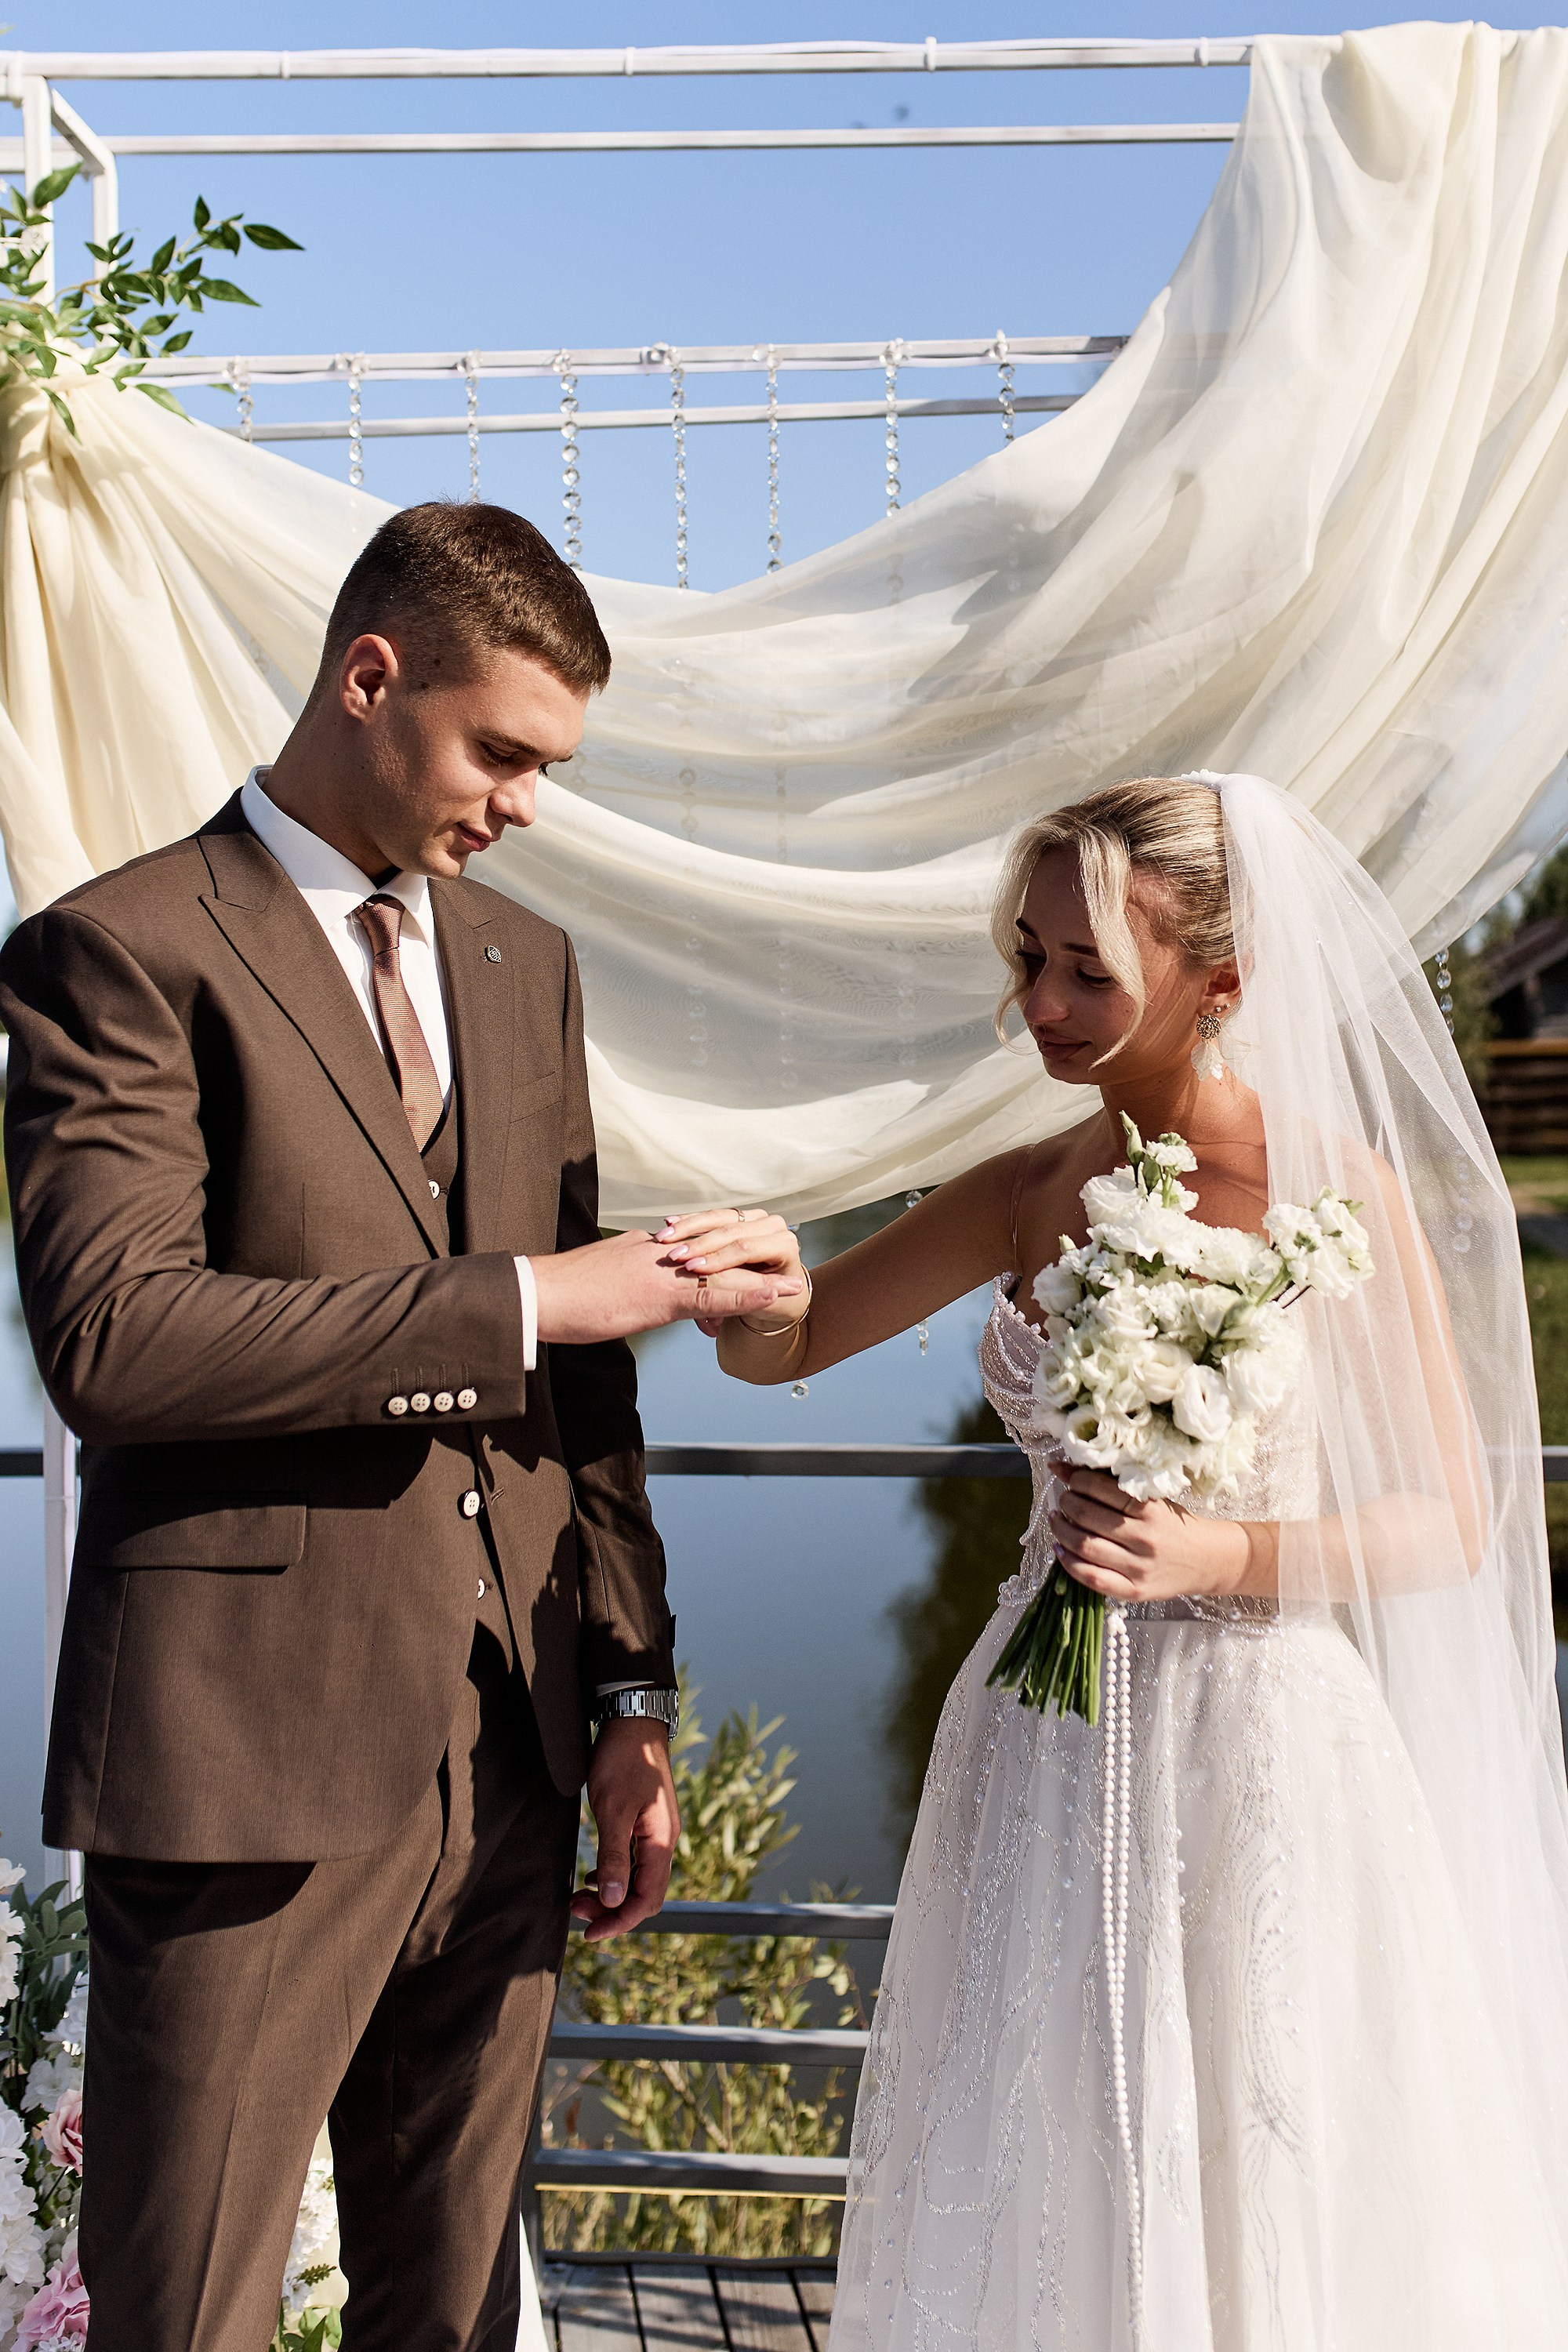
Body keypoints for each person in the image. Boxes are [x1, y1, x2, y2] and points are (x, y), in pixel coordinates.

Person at [0, 501, 799, 2352]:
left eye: (550, 769)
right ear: (371, 677)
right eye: (502, 753)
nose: (526, 803)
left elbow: (586, 1395)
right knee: (187, 2312)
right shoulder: (117, 951)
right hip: (243, 1763)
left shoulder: (525, 965)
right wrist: (523, 1300)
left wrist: (630, 1698)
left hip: (512, 1755)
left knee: (447, 2319)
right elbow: (115, 1340)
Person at [666, 773, 1568, 2350]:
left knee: (1270, 2145)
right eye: (1029, 959)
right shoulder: (1027, 1190)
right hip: (1046, 1744)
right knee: (1051, 2142)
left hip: (1263, 1749)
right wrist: (743, 1284)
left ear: (1219, 983)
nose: (1040, 1003)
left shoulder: (1333, 1198)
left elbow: (1449, 1520)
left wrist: (1221, 1546)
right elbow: (791, 1343)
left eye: (1087, 969)